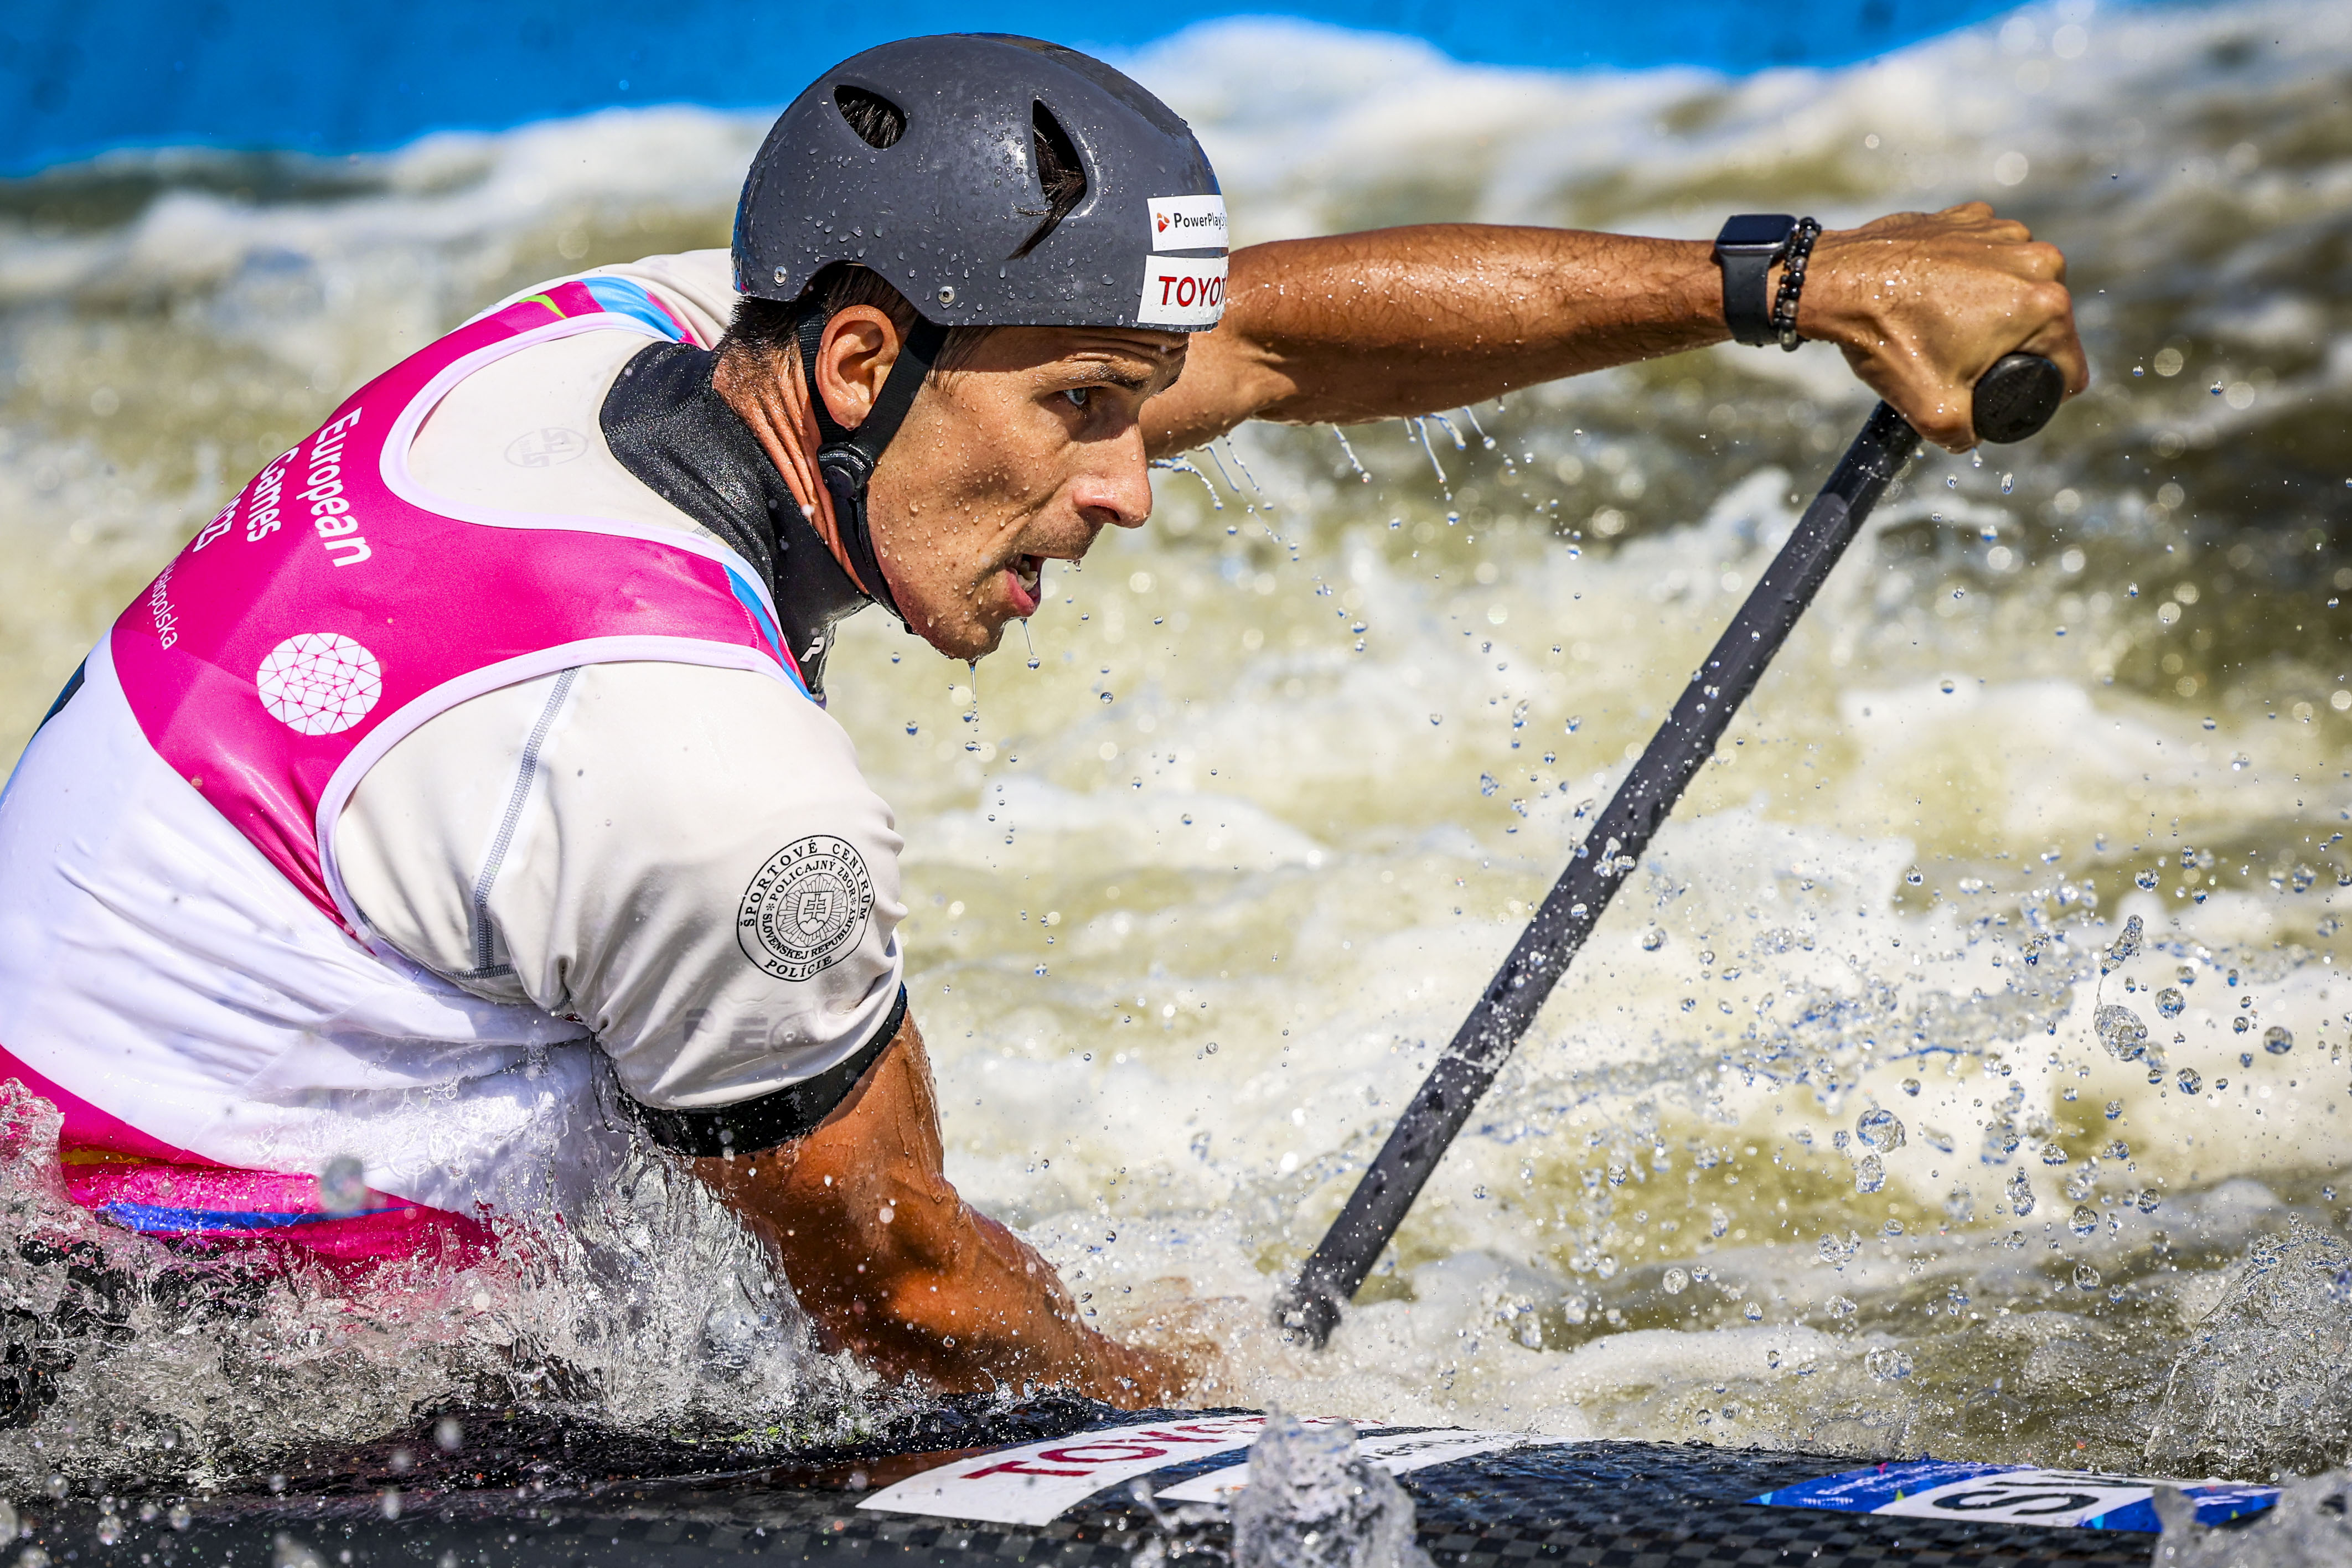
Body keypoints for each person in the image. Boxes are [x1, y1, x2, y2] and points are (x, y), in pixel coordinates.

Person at [0, 35, 2084, 1409]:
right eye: (1081, 415)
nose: (1126, 487)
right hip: (175, 1336)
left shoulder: (611, 337)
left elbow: (1254, 328)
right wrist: (1239, 1427)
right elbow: (912, 1299)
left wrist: (1787, 282)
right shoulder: (690, 765)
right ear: (851, 368)